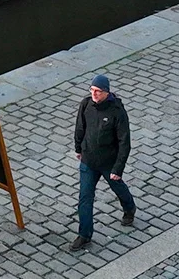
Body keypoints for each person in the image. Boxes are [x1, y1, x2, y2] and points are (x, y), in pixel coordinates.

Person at [71, 73, 135, 251]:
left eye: (98, 91)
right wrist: (78, 148)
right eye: (92, 90)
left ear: (106, 92)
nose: (94, 94)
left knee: (117, 186)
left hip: (108, 161)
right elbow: (80, 127)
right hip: (89, 160)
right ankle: (84, 235)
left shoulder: (117, 111)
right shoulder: (86, 104)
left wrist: (118, 168)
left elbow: (124, 141)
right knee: (85, 198)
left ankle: (129, 208)